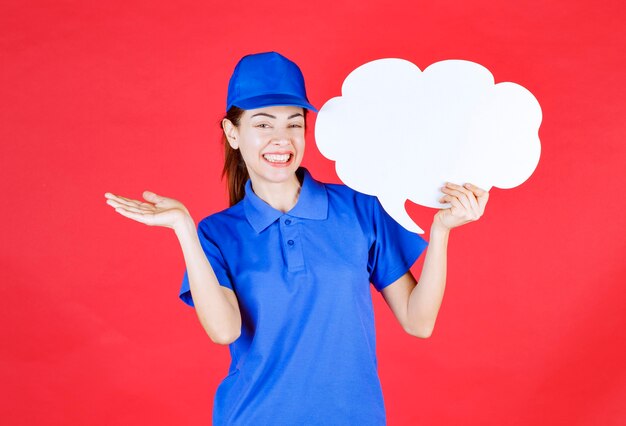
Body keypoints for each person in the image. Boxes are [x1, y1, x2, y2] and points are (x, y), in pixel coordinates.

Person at [104, 51, 489, 425]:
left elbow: (418, 321)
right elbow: (224, 330)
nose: (281, 138)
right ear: (232, 133)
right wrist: (184, 229)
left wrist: (441, 231)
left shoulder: (359, 208)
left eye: (294, 123)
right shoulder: (216, 233)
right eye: (263, 124)